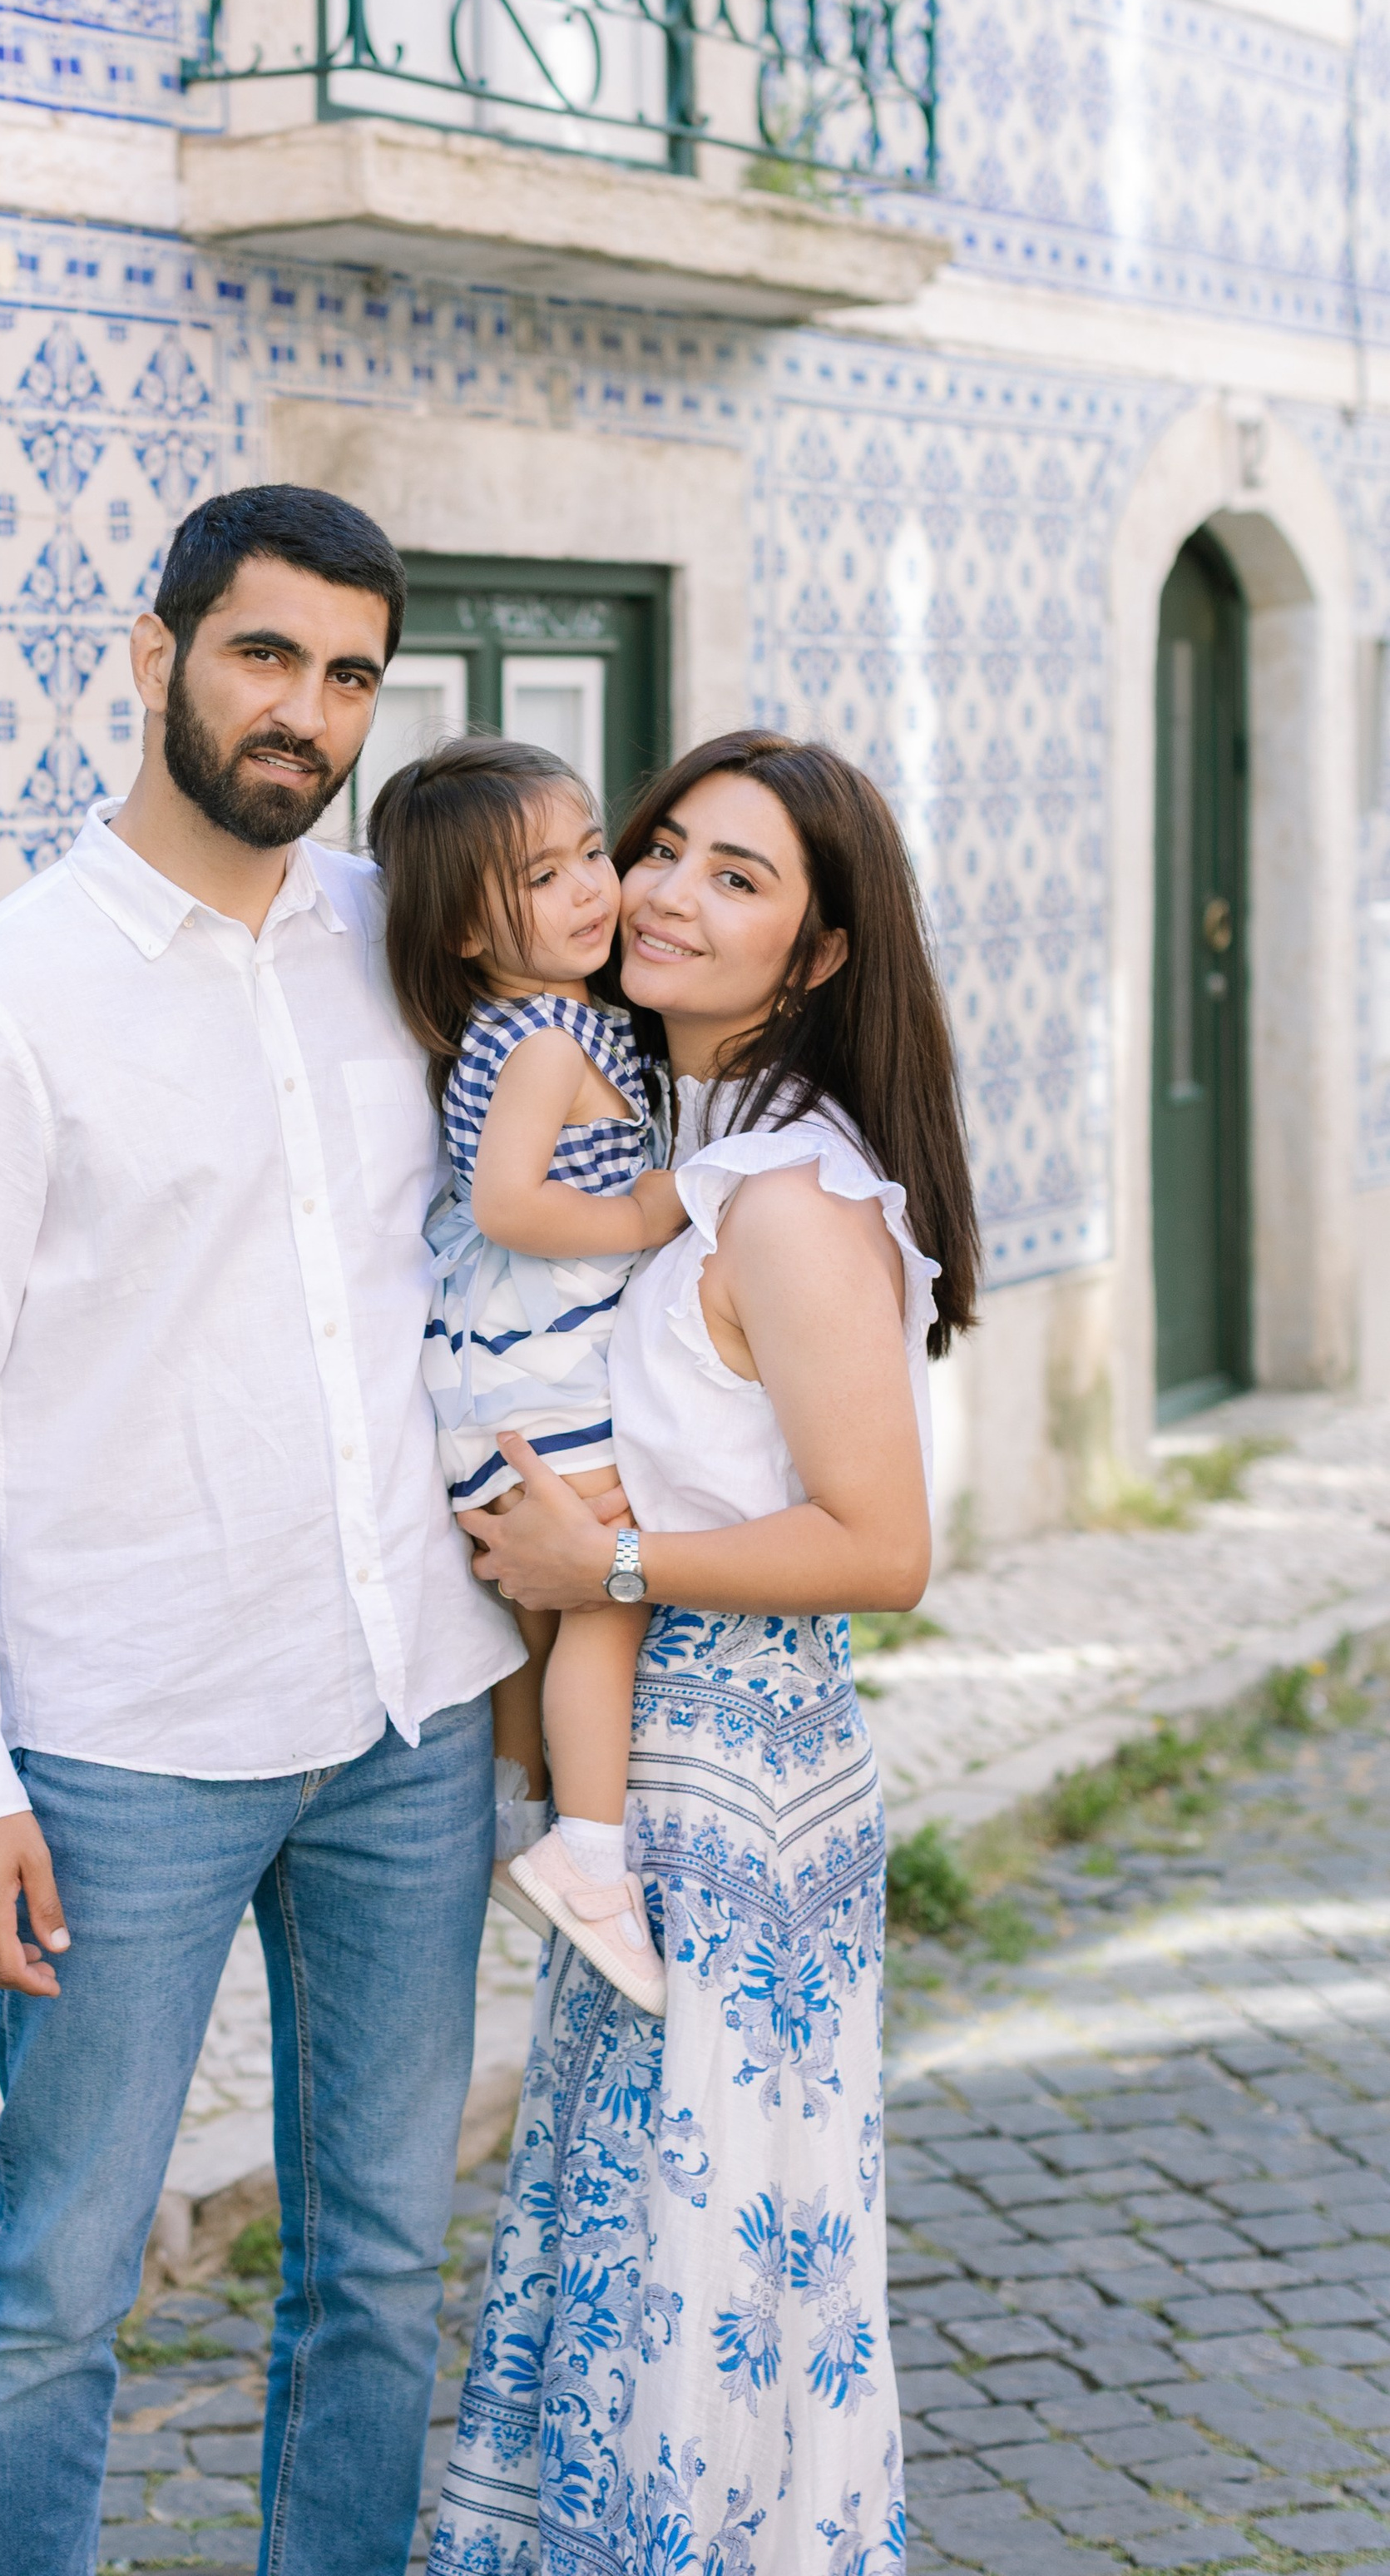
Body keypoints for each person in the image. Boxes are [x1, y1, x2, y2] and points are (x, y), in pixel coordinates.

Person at [0, 482, 522, 2576]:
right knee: (58, 2282)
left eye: (346, 677)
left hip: (406, 1722)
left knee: (383, 2267)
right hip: (122, 1748)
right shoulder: (0, 1005)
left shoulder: (389, 946)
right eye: (263, 656)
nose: (302, 714)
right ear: (153, 656)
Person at [428, 731, 982, 2576]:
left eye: (734, 878)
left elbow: (880, 1547)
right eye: (659, 849)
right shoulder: (672, 1148)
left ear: (817, 956)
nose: (662, 892)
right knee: (632, 2245)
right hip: (650, 1775)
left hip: (731, 1789)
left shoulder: (790, 1203)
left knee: (706, 2266)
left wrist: (614, 1559)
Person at [367, 735, 684, 2014]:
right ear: (459, 929)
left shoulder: (525, 1025)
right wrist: (648, 1214)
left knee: (543, 1618)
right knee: (605, 1597)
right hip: (541, 1382)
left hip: (496, 1382)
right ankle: (588, 1859)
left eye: (589, 854)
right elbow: (507, 1203)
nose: (592, 888)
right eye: (542, 877)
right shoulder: (552, 1039)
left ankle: (520, 1809)